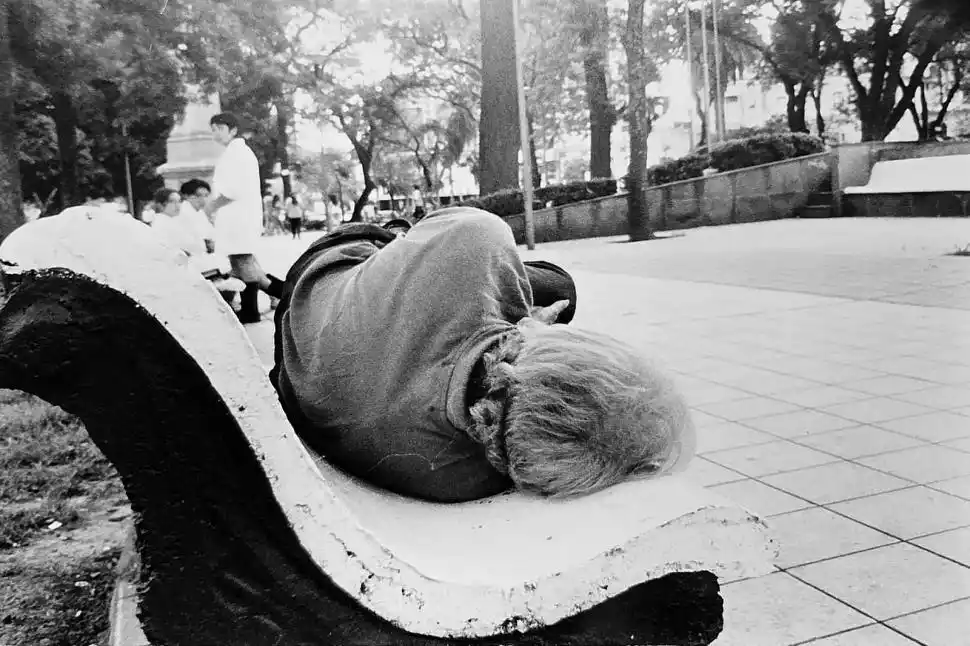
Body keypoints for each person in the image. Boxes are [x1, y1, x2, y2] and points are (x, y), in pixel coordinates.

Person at [271, 207, 695, 504]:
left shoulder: (475, 239)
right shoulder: (463, 481)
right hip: (300, 377)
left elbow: (442, 239)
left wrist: (523, 321)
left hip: (317, 287)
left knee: (559, 286)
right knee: (556, 289)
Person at [205, 112, 283, 323]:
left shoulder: (237, 153)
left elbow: (233, 190)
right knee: (244, 265)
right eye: (213, 129)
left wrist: (211, 206)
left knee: (244, 263)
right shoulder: (233, 152)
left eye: (220, 128)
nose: (216, 133)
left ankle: (252, 311)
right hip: (236, 218)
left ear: (233, 130)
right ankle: (286, 295)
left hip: (238, 218)